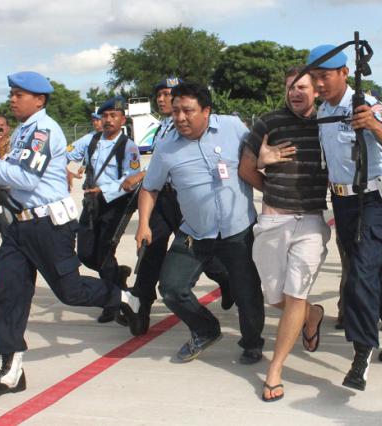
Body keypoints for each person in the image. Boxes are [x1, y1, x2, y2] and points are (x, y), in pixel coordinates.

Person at [0, 71, 141, 397]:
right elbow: (11, 179)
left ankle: (122, 297)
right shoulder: (23, 132)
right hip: (19, 227)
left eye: (19, 94)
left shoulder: (44, 131)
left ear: (39, 99)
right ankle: (11, 370)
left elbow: (25, 178)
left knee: (70, 291)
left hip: (49, 226)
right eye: (12, 93)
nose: (12, 99)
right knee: (10, 296)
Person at [136, 82, 265, 364]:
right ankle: (205, 329)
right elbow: (150, 187)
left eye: (188, 111)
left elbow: (258, 155)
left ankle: (253, 343)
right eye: (176, 111)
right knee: (171, 288)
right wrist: (143, 224)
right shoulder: (166, 147)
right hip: (194, 232)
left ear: (206, 111)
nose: (180, 118)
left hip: (237, 230)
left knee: (248, 292)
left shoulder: (233, 127)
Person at [307, 44, 382, 391]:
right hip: (343, 205)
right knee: (369, 270)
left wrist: (376, 128)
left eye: (325, 76)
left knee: (359, 276)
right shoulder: (323, 110)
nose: (319, 83)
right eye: (314, 77)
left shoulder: (368, 104)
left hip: (374, 200)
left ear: (344, 74)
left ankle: (362, 351)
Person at [238, 68, 329, 402]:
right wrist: (269, 172)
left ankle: (274, 370)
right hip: (274, 220)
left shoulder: (327, 124)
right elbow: (246, 170)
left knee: (295, 295)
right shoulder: (268, 123)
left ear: (316, 90)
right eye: (290, 87)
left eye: (302, 87)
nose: (295, 92)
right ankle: (314, 316)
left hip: (311, 223)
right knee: (275, 297)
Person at [129, 77, 232, 335]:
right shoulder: (162, 128)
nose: (163, 100)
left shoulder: (192, 126)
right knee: (150, 252)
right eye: (160, 95)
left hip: (184, 200)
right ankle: (142, 306)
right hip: (161, 199)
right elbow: (158, 166)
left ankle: (227, 281)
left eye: (168, 95)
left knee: (199, 251)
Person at [68, 97, 142, 324]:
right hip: (92, 203)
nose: (108, 120)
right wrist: (66, 171)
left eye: (113, 116)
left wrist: (104, 189)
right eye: (105, 116)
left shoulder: (128, 146)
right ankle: (118, 279)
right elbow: (64, 154)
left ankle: (112, 302)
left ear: (122, 119)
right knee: (84, 253)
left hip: (115, 203)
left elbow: (132, 177)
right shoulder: (91, 140)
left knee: (103, 253)